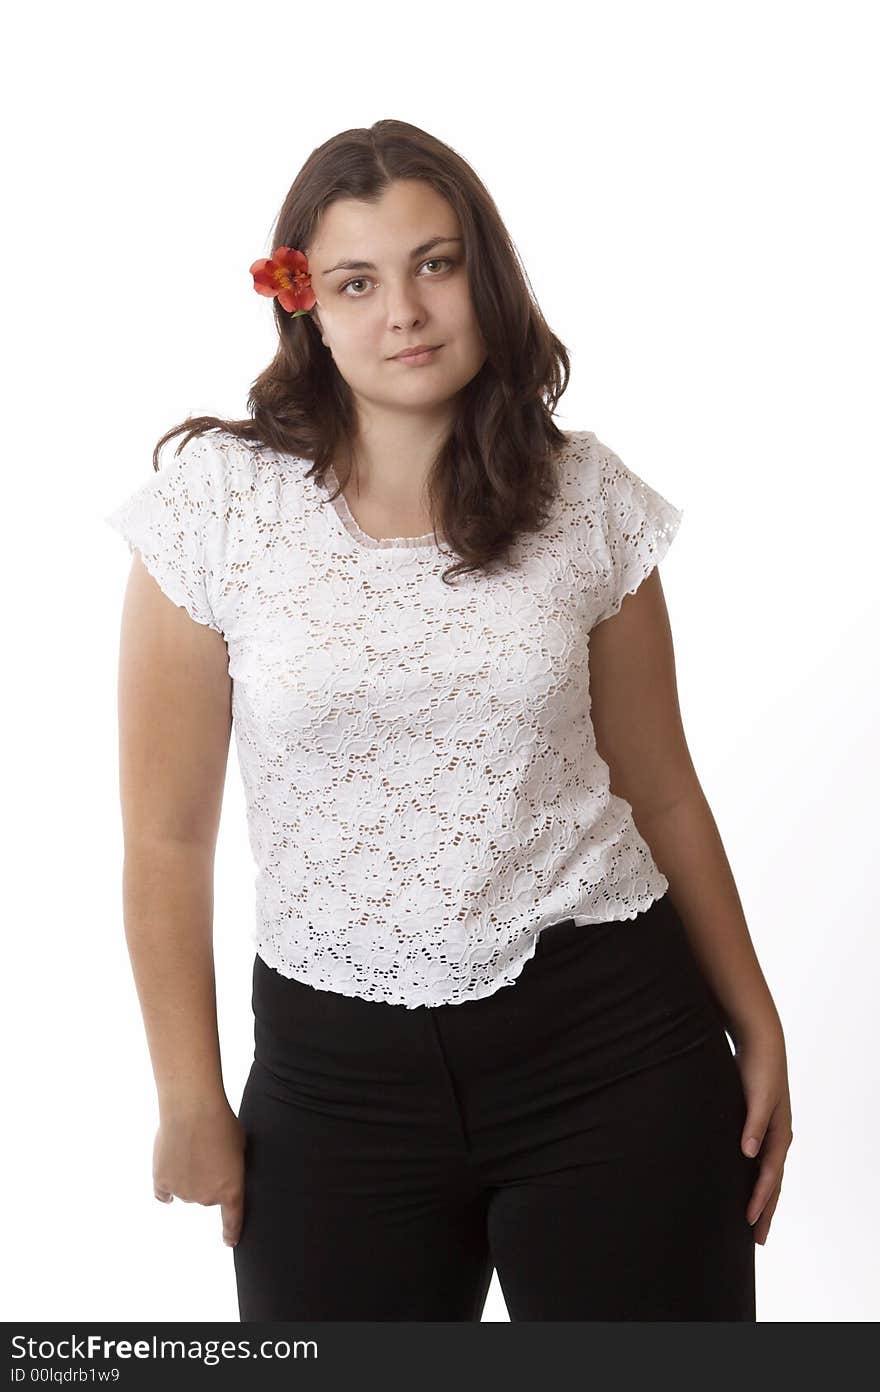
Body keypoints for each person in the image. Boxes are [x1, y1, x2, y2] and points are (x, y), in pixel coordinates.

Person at [105, 119, 793, 1322]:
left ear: (486, 272)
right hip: (330, 1078)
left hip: (613, 1047)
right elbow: (166, 838)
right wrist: (189, 1098)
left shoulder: (586, 499)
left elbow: (663, 784)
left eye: (436, 264)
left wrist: (756, 1015)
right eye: (357, 282)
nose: (405, 313)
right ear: (303, 304)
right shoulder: (212, 510)